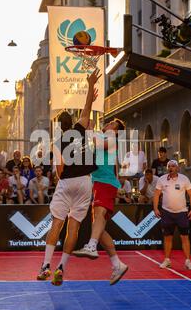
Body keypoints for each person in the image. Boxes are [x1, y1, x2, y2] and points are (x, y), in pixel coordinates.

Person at [36, 68, 101, 286]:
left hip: (66, 183)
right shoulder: (80, 128)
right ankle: (62, 267)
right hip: (85, 182)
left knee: (57, 223)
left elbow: (60, 171)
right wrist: (91, 85)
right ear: (72, 121)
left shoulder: (57, 143)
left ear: (58, 126)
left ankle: (46, 265)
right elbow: (88, 107)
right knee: (73, 226)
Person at [73, 118, 129, 285]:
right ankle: (117, 264)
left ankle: (91, 246)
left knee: (99, 216)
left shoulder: (111, 139)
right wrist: (89, 128)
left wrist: (91, 131)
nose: (108, 124)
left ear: (115, 130)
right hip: (98, 182)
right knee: (99, 226)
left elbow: (97, 144)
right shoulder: (103, 137)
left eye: (112, 123)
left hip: (105, 182)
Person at [153, 160, 191, 270]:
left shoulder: (184, 179)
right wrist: (155, 208)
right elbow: (156, 195)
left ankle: (187, 261)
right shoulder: (162, 179)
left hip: (182, 212)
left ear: (177, 168)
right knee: (167, 237)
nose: (171, 168)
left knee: (185, 237)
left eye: (173, 166)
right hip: (167, 212)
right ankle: (167, 260)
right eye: (169, 166)